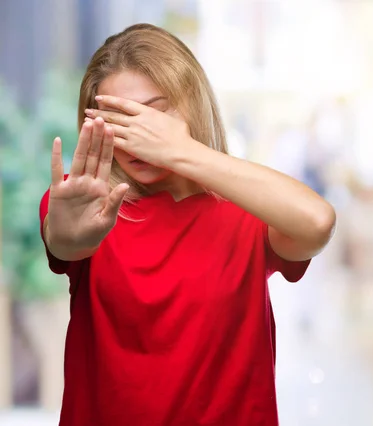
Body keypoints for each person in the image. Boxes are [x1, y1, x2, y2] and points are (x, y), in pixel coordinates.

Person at [39, 24, 336, 426]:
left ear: (191, 103)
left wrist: (181, 151)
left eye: (152, 113)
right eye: (118, 119)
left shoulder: (245, 208)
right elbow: (66, 242)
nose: (135, 134)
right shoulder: (85, 205)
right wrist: (68, 236)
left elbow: (317, 222)